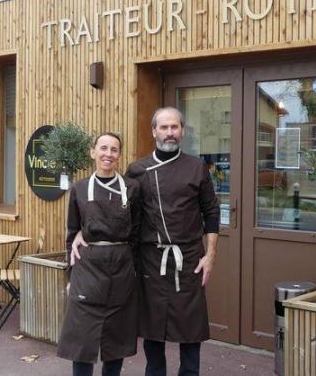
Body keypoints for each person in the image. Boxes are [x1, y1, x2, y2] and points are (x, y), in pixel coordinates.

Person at [73, 107, 220, 376]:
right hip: (150, 259)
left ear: (182, 131)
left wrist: (209, 256)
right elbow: (119, 212)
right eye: (163, 128)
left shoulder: (197, 167)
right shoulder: (137, 170)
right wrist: (83, 232)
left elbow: (211, 212)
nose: (170, 133)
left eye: (174, 127)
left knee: (191, 329)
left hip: (188, 259)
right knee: (153, 329)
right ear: (154, 132)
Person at [57, 132, 141, 376]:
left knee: (117, 336)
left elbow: (136, 233)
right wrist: (71, 276)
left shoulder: (132, 188)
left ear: (119, 155)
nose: (108, 154)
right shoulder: (79, 189)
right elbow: (72, 234)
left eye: (114, 149)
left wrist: (133, 271)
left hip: (122, 266)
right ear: (92, 152)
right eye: (103, 148)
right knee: (82, 338)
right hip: (88, 265)